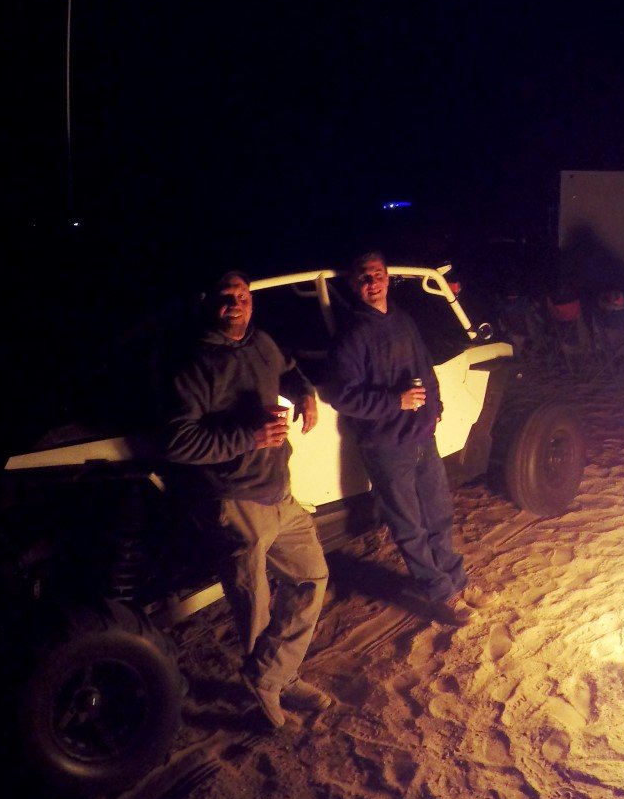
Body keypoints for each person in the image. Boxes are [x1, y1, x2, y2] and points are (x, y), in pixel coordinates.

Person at [164, 271, 333, 730]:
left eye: (242, 295)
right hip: (235, 498)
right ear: (210, 304)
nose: (235, 303)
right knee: (255, 606)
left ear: (251, 302)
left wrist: (305, 393)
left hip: (278, 488)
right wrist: (249, 437)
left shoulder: (261, 343)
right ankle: (270, 684)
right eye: (226, 297)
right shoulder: (194, 364)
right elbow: (178, 442)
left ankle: (271, 676)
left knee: (311, 577)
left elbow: (288, 369)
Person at [327, 251, 489, 622]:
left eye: (377, 274)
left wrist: (435, 406)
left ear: (387, 278)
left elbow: (424, 368)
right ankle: (441, 593)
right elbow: (343, 397)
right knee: (408, 524)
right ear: (354, 284)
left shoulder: (402, 320)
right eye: (364, 277)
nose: (372, 283)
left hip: (421, 436)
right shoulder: (351, 335)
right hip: (386, 444)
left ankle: (457, 580)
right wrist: (395, 401)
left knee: (439, 513)